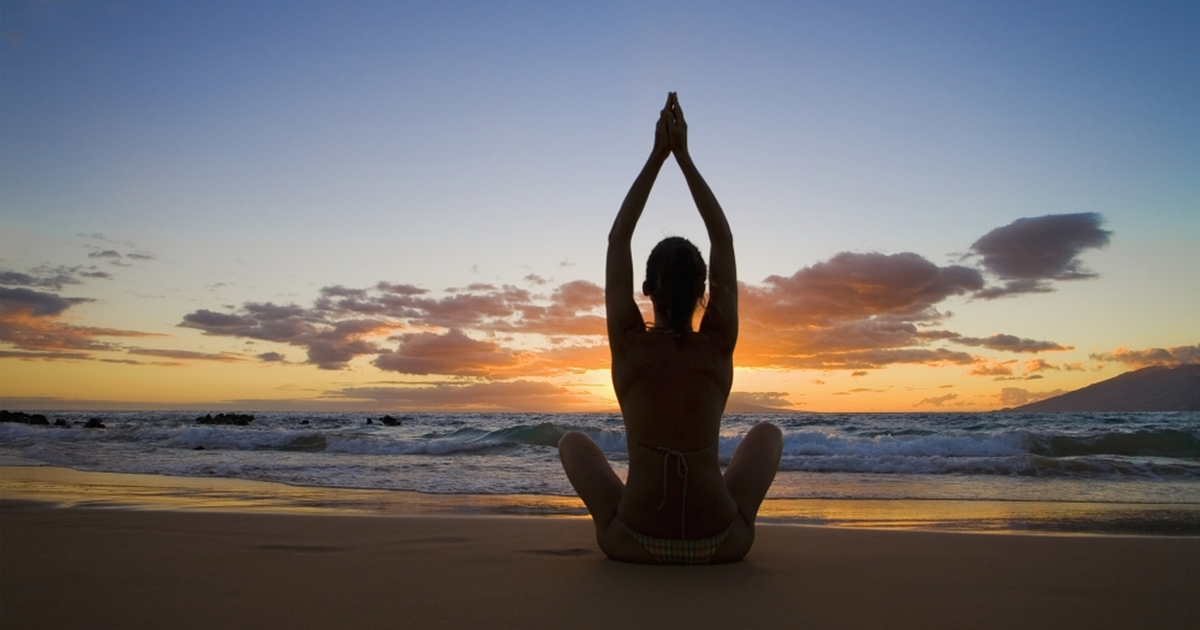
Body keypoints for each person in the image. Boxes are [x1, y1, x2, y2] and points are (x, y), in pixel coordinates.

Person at [558, 93, 782, 564]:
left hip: (633, 541)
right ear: (706, 291)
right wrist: (685, 157)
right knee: (767, 433)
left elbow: (618, 237)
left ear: (646, 289)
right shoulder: (717, 347)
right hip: (722, 543)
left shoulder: (629, 344)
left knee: (572, 443)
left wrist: (657, 156)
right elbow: (723, 237)